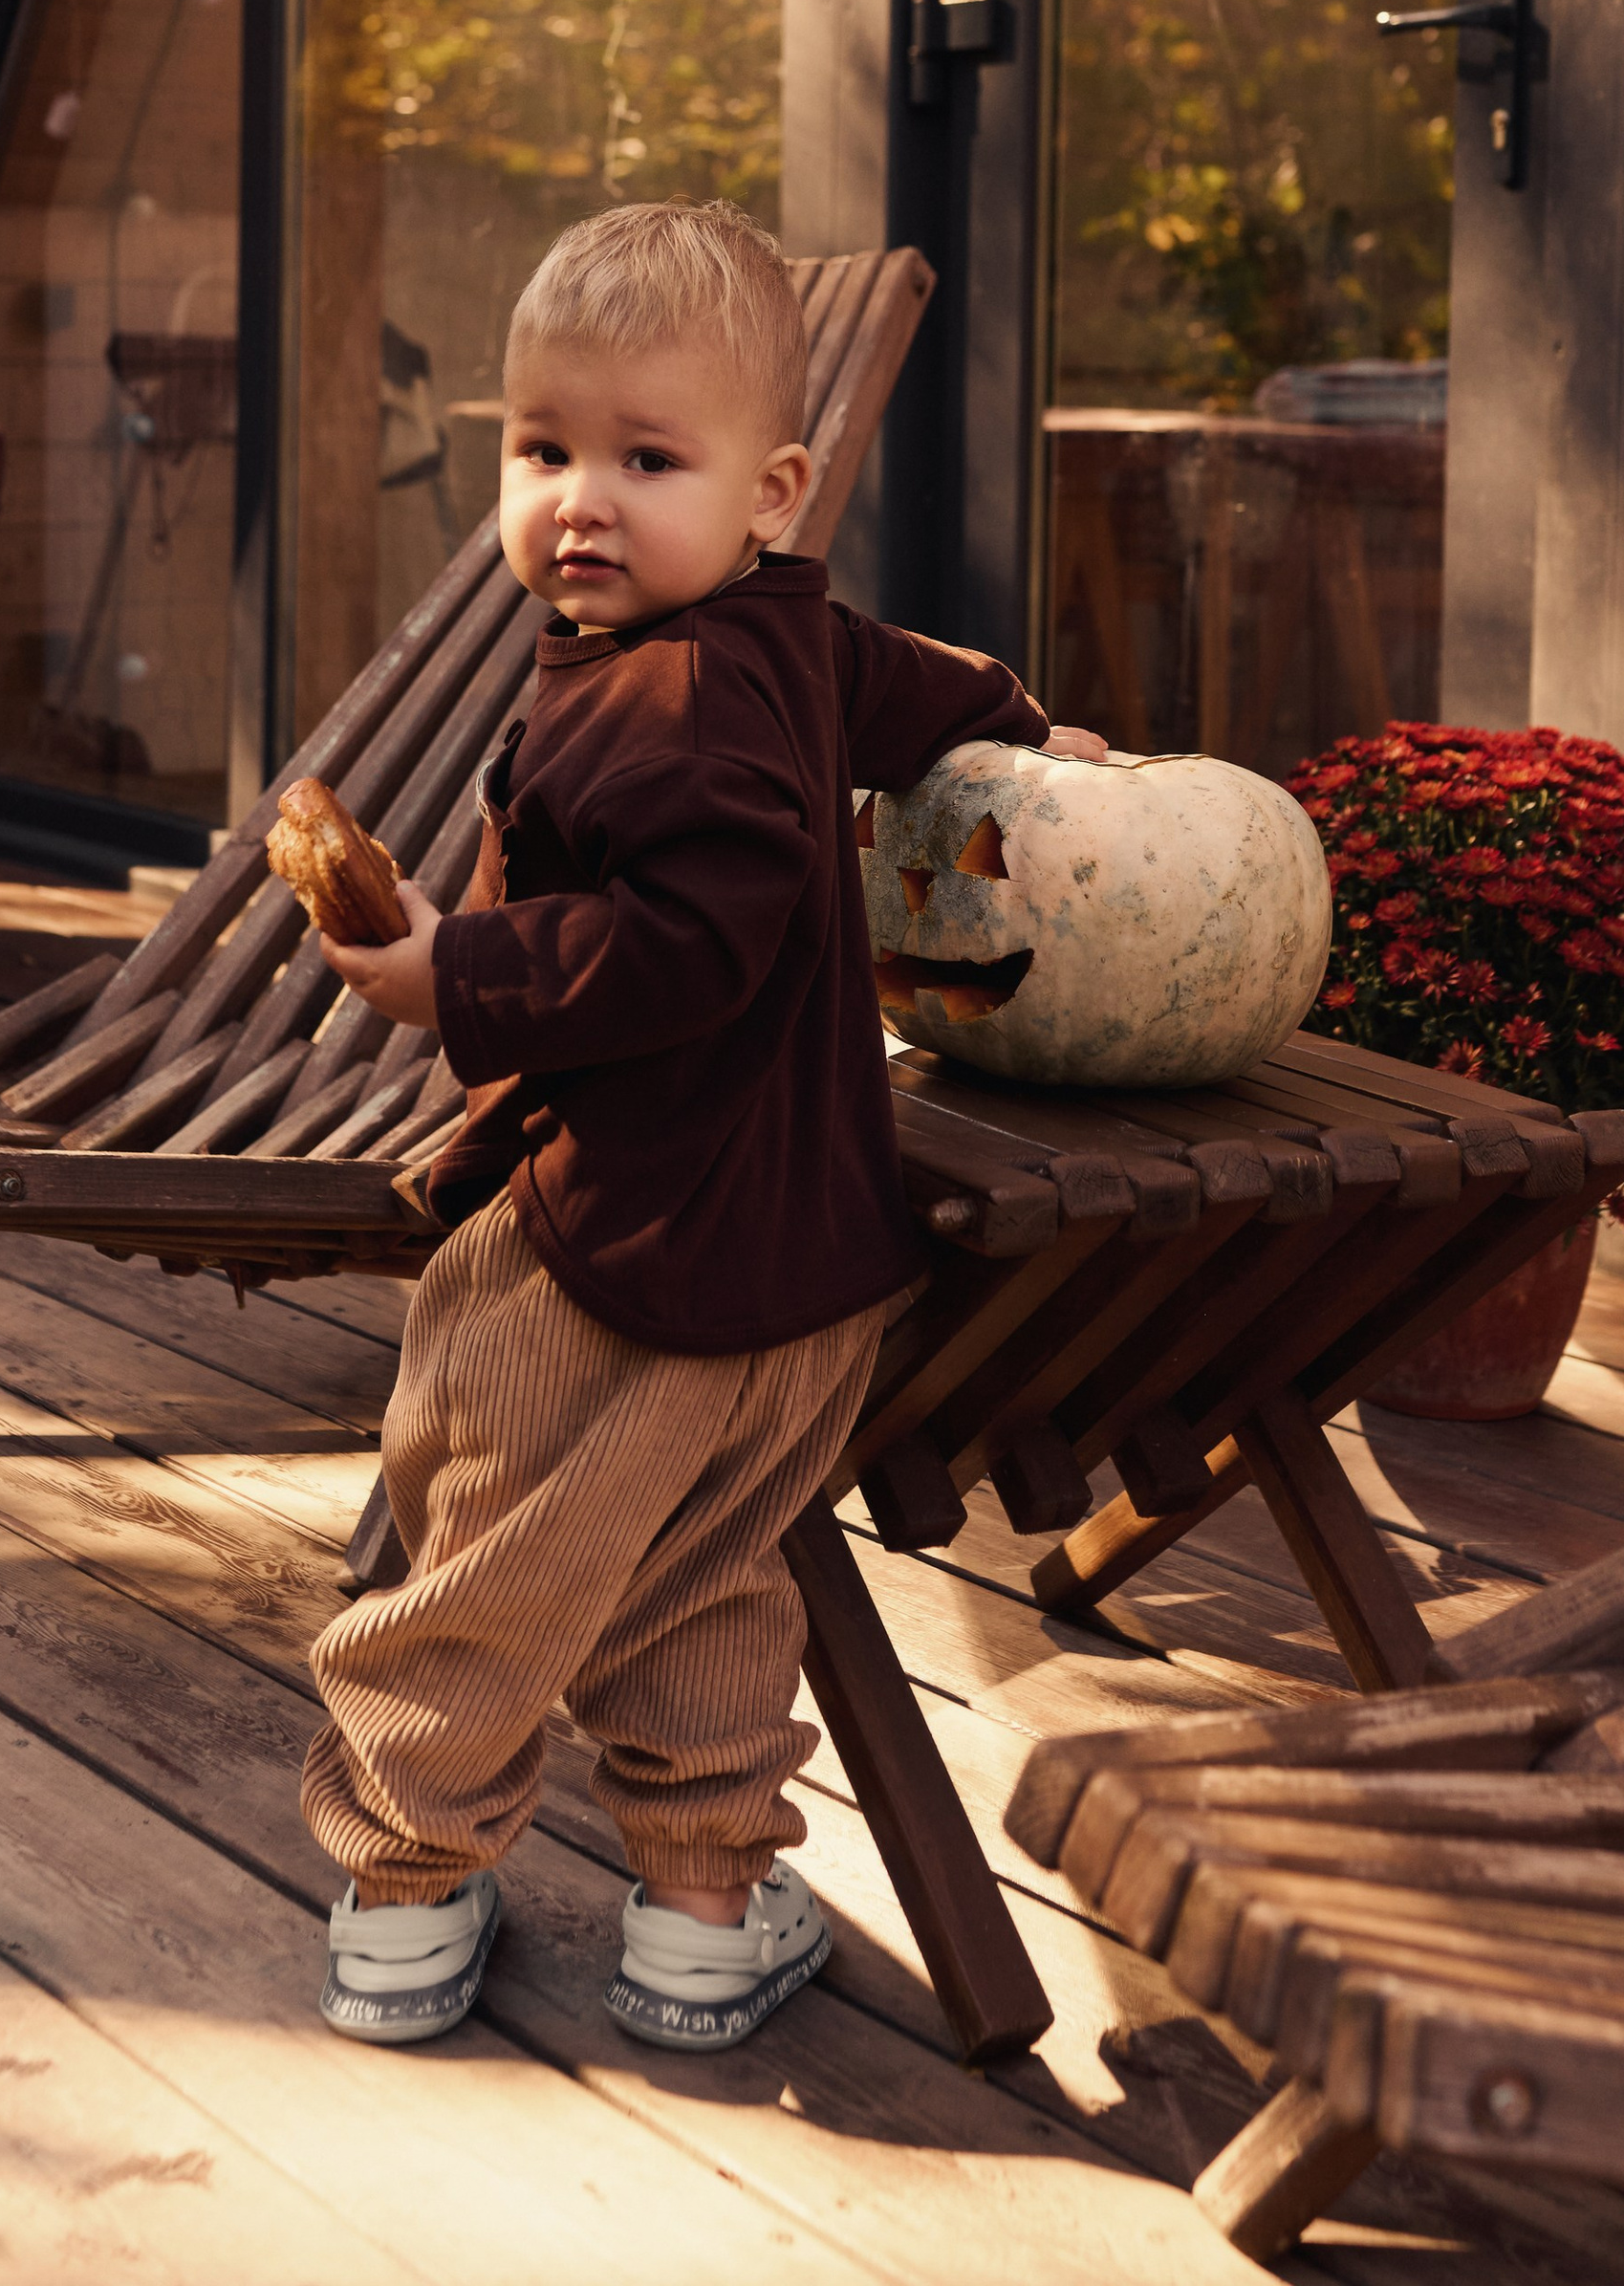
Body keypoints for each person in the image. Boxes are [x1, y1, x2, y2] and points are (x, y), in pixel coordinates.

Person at [306, 201, 1104, 2051]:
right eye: (542, 450)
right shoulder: (783, 637)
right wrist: (1021, 727)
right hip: (804, 1261)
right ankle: (698, 1919)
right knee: (701, 1574)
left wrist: (459, 979)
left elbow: (701, 938)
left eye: (645, 459)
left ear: (774, 485)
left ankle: (407, 1898)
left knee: (489, 1541)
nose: (582, 499)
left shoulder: (677, 702)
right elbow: (921, 688)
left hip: (629, 1238)